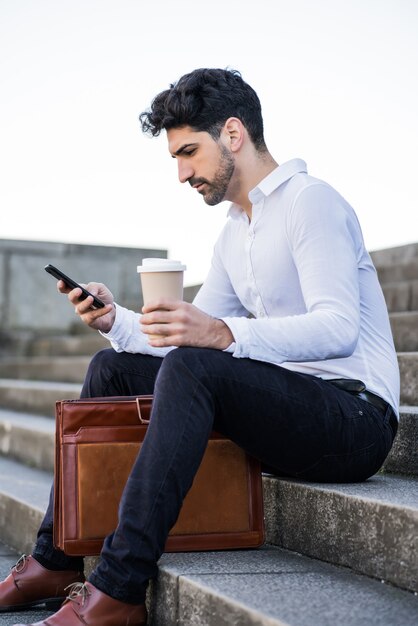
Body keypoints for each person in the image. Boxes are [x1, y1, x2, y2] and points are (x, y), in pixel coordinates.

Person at [1, 68, 399, 626]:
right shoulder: (236, 232)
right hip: (287, 404)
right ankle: (57, 558)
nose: (183, 173)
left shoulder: (312, 203)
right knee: (112, 369)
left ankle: (118, 589)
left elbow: (338, 329)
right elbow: (186, 336)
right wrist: (116, 321)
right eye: (175, 158)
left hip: (354, 416)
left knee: (198, 366)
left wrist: (226, 333)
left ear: (233, 134)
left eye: (189, 152)